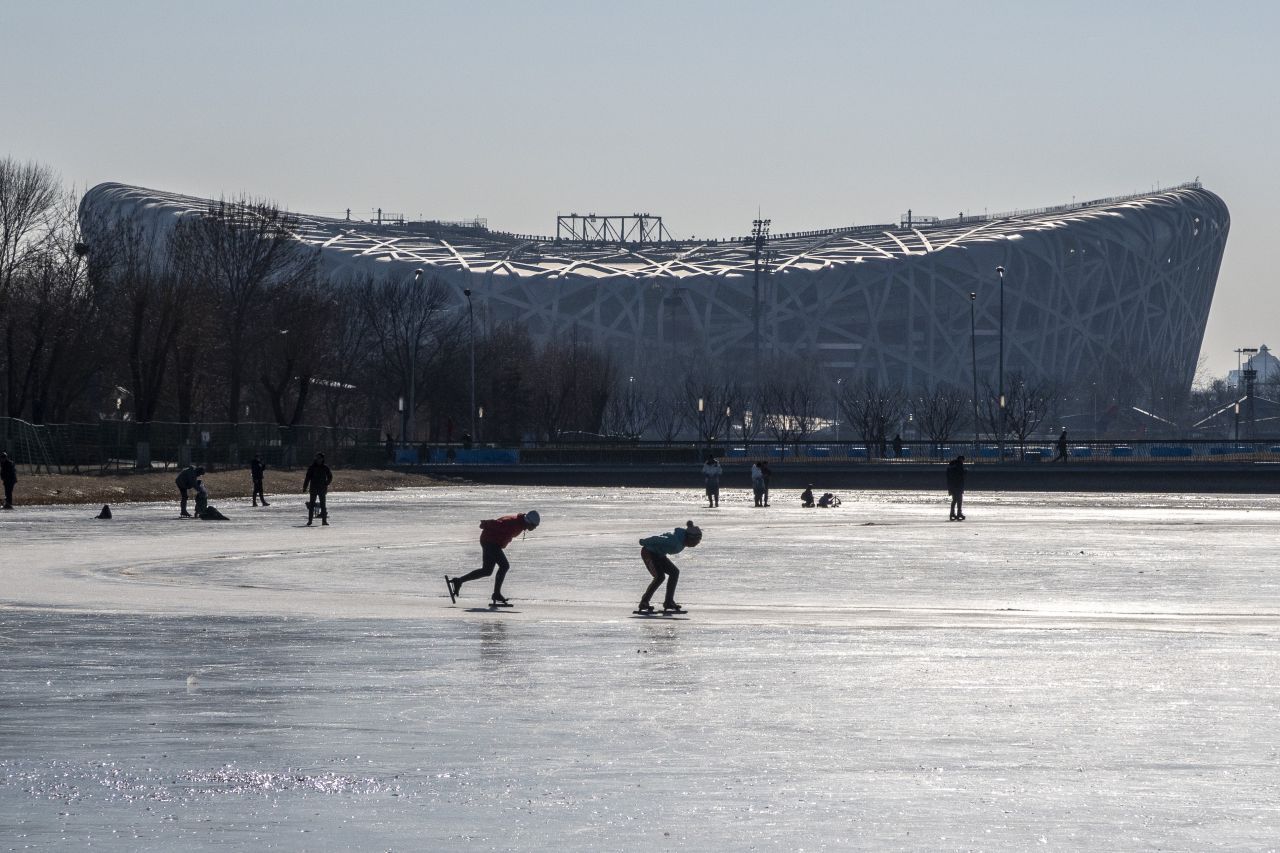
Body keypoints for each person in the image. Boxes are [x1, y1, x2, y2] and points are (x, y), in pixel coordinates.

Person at [448, 510, 540, 606]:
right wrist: (485, 523)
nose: (534, 528)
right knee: (504, 566)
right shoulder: (513, 522)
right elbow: (497, 523)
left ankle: (459, 581)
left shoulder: (521, 524)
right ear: (529, 522)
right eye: (534, 526)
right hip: (490, 542)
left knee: (487, 570)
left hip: (492, 542)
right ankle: (496, 594)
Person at [636, 520, 702, 614]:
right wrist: (644, 542)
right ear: (689, 538)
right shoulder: (674, 541)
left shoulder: (682, 539)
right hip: (649, 552)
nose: (696, 544)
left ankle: (669, 602)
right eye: (695, 541)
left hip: (659, 554)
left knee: (674, 572)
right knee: (660, 577)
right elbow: (658, 539)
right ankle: (644, 602)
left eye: (698, 541)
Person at [303, 452, 333, 526]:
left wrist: (326, 483)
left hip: (322, 488)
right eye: (317, 458)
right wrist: (305, 487)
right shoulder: (312, 467)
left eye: (319, 458)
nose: (318, 459)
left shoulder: (325, 467)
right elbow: (307, 478)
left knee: (323, 505)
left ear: (322, 459)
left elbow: (330, 476)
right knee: (311, 505)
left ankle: (324, 521)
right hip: (313, 488)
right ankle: (310, 521)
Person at [946, 454, 966, 521]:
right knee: (959, 500)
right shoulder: (959, 465)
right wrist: (965, 471)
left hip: (951, 486)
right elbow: (960, 474)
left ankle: (952, 514)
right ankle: (959, 513)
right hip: (958, 486)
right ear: (961, 459)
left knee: (954, 500)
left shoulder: (950, 466)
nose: (963, 462)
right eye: (963, 461)